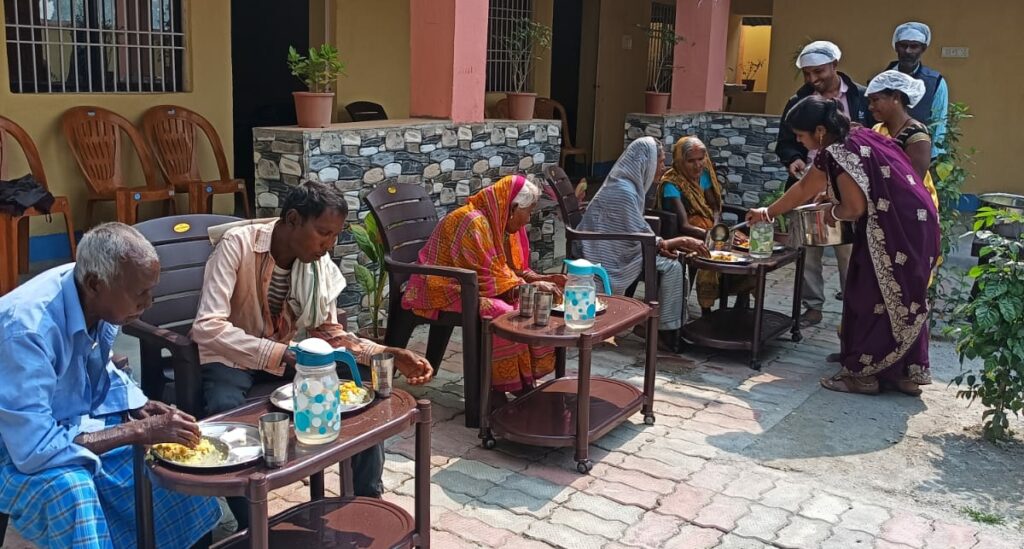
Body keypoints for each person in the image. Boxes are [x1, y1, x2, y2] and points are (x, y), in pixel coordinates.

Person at [191, 182, 433, 512]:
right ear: (293, 219)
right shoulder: (237, 245)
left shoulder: (316, 264)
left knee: (356, 392)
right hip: (231, 359)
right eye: (323, 233)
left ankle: (366, 501)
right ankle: (255, 527)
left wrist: (386, 354)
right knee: (227, 416)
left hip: (285, 356)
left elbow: (330, 333)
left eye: (334, 236)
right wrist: (280, 353)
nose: (329, 245)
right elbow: (207, 326)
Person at [0, 223, 221, 548]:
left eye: (151, 290)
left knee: (172, 460)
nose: (149, 302)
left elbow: (96, 365)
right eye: (140, 294)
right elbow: (33, 449)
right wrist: (137, 431)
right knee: (72, 491)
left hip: (67, 423)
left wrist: (135, 404)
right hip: (15, 447)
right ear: (94, 284)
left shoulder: (92, 291)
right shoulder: (28, 329)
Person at [748, 96, 939, 396]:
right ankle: (904, 375)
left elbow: (852, 208)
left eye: (801, 135)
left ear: (820, 131)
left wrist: (828, 210)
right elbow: (822, 187)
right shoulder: (860, 134)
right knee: (904, 296)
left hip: (889, 230)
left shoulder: (837, 153)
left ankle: (862, 376)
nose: (799, 141)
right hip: (918, 224)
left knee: (867, 296)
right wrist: (774, 211)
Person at [403, 175, 563, 401]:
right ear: (512, 207)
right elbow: (487, 277)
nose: (527, 220)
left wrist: (532, 279)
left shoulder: (494, 221)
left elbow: (500, 270)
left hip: (467, 285)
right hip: (441, 286)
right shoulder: (473, 220)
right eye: (527, 212)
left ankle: (525, 380)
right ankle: (498, 389)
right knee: (501, 312)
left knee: (529, 303)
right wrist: (525, 285)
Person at [576, 136, 709, 349]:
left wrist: (663, 245)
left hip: (625, 245)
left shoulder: (630, 186)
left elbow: (636, 230)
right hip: (608, 251)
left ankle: (666, 327)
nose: (662, 167)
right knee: (673, 267)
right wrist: (676, 241)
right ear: (645, 161)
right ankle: (663, 330)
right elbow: (639, 234)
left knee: (674, 263)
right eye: (660, 161)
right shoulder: (623, 190)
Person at [778, 40, 872, 326]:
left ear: (835, 66)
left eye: (818, 71)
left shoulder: (862, 97)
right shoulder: (798, 101)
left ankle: (853, 309)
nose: (812, 79)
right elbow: (785, 143)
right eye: (807, 74)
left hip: (847, 188)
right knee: (807, 252)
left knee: (849, 251)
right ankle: (812, 306)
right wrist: (793, 159)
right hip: (808, 182)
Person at [655, 135, 754, 313]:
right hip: (685, 235)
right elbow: (684, 225)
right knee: (711, 254)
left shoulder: (705, 175)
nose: (698, 165)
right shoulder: (672, 183)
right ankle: (706, 311)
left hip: (710, 229)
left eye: (701, 159)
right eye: (691, 161)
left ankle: (742, 299)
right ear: (679, 161)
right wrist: (713, 236)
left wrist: (716, 227)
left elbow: (715, 207)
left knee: (747, 250)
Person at [867, 70, 939, 208]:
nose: (870, 107)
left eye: (875, 100)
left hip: (912, 209)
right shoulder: (877, 130)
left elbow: (912, 183)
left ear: (896, 97)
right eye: (869, 101)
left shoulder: (917, 136)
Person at [887, 22, 948, 159]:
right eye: (903, 45)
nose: (908, 51)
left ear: (923, 48)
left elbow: (939, 123)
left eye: (914, 46)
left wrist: (930, 159)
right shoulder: (882, 79)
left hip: (919, 156)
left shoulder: (935, 82)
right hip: (885, 155)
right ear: (896, 47)